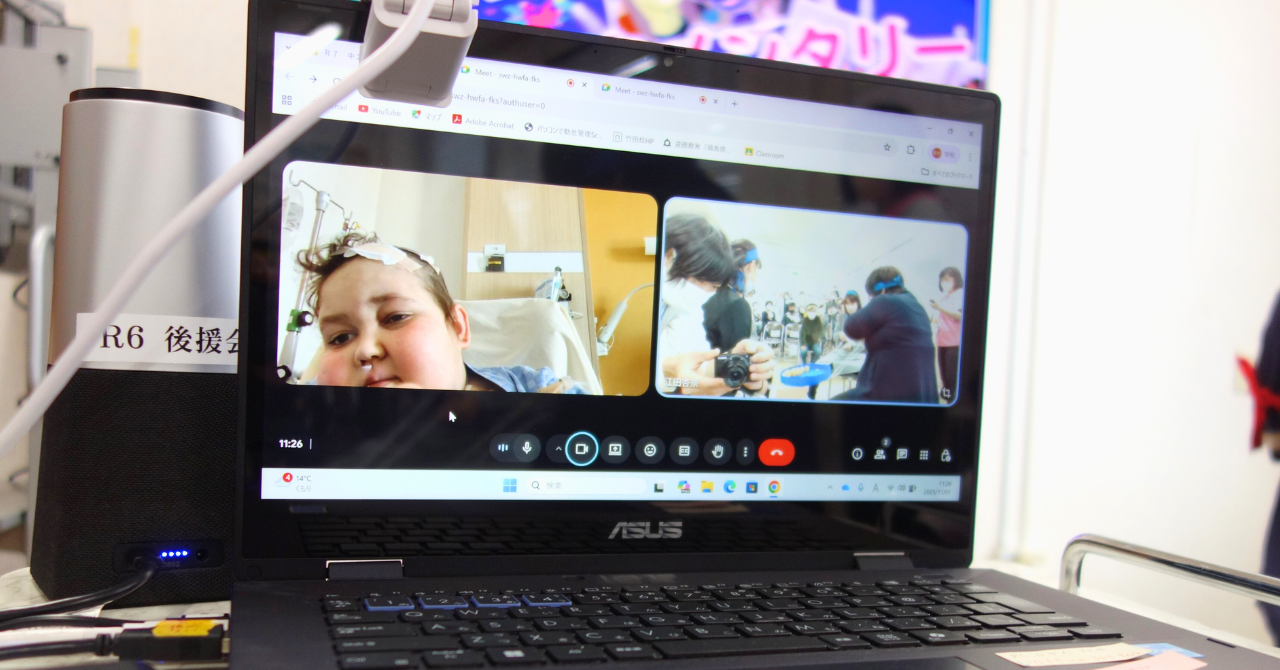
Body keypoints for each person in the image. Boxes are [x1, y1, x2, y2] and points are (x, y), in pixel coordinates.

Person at [301, 232, 585, 393]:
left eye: (395, 317)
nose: (365, 350)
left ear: (458, 327)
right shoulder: (314, 409)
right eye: (339, 338)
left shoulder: (533, 388)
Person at [657, 215, 774, 396]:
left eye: (714, 287)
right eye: (701, 280)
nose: (707, 293)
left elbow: (697, 366)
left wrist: (733, 357)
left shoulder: (685, 308)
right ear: (668, 257)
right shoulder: (640, 298)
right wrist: (670, 369)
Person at [833, 267, 938, 403]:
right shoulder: (918, 307)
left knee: (826, 409)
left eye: (871, 296)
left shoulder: (885, 301)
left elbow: (851, 327)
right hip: (922, 400)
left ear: (881, 291)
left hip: (886, 397)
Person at [930, 267, 965, 402]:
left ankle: (953, 405)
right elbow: (944, 319)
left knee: (952, 379)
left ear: (956, 280)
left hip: (954, 343)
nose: (945, 282)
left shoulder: (960, 294)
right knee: (945, 380)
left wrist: (939, 307)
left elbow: (960, 316)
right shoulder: (945, 297)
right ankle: (948, 403)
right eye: (943, 280)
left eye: (948, 279)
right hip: (942, 343)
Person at [798, 303, 825, 399]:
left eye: (813, 311)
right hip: (806, 342)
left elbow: (820, 331)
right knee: (803, 352)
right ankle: (804, 366)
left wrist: (816, 337)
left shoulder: (818, 320)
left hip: (814, 342)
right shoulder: (805, 320)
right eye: (810, 311)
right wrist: (803, 344)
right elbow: (802, 333)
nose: (811, 313)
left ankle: (812, 365)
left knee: (818, 351)